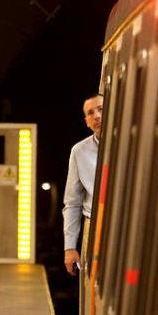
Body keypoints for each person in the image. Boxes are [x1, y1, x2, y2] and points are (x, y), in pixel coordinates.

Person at [63, 94, 103, 275]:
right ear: (86, 121)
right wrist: (70, 247)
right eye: (90, 113)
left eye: (101, 109)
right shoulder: (79, 151)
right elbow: (72, 203)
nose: (97, 116)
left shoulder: (133, 143)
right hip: (94, 227)